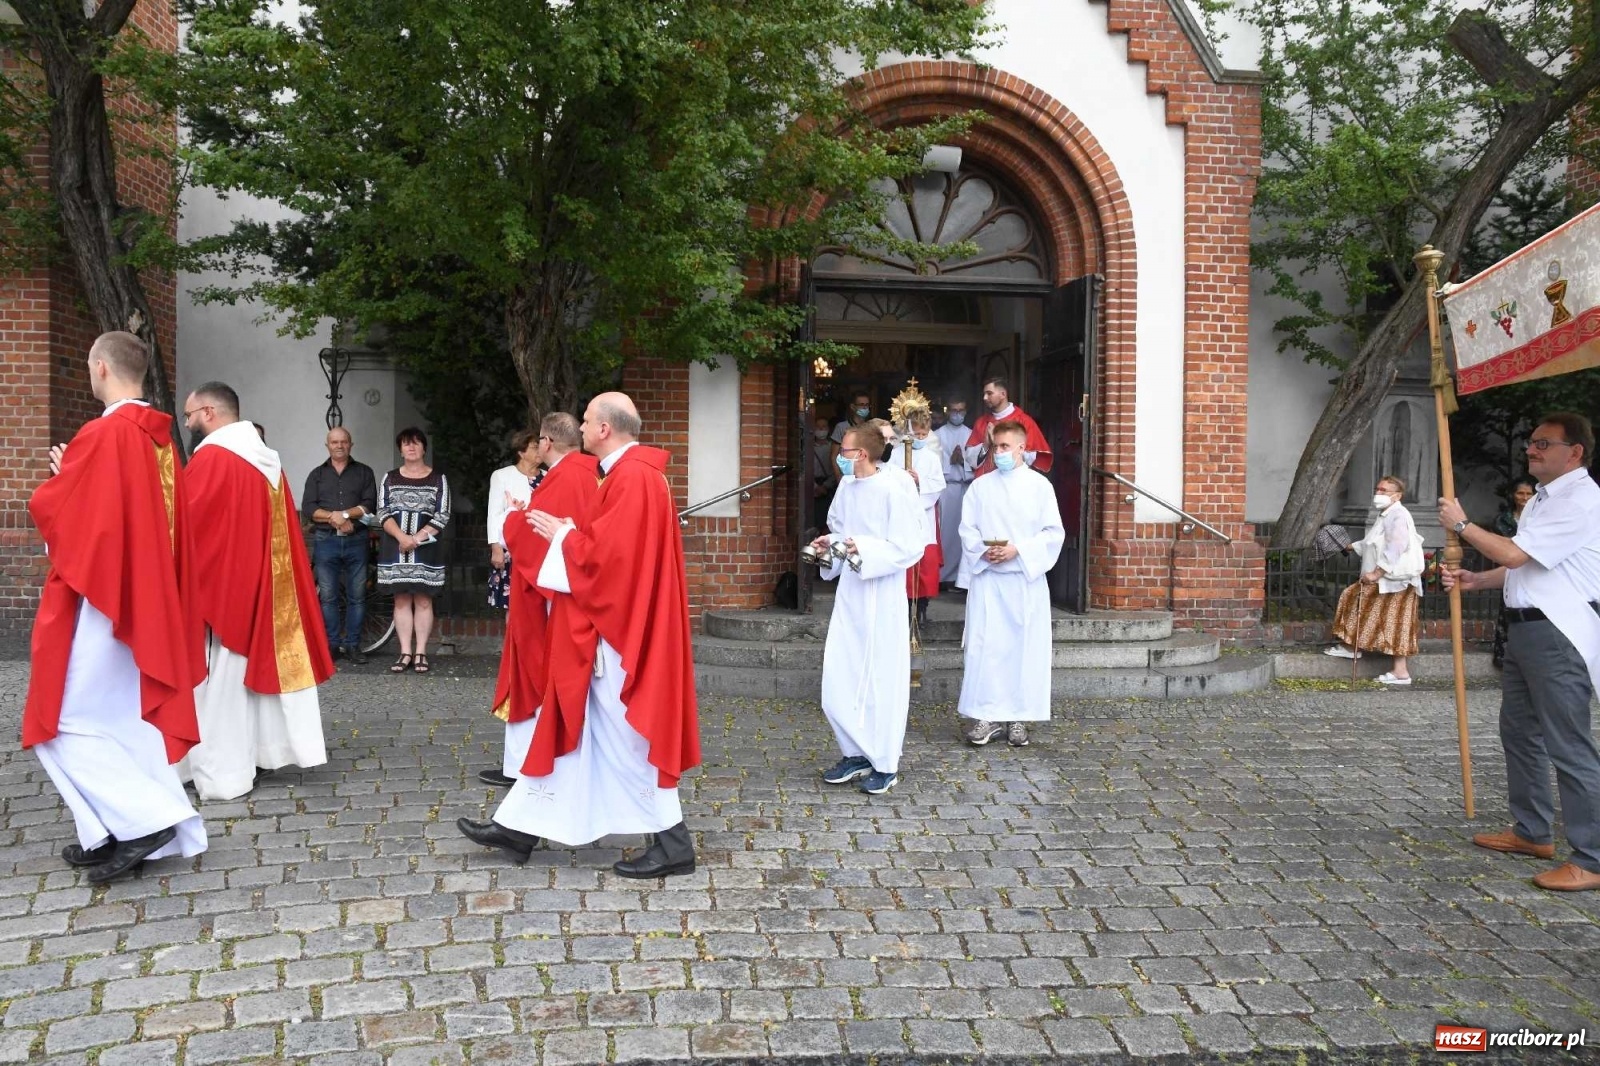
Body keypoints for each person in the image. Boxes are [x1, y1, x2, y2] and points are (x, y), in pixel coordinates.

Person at [458, 393, 701, 878]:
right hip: (618, 627)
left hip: (619, 635)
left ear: (605, 429)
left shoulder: (631, 478)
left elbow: (613, 563)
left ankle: (674, 845)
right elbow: (614, 546)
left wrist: (564, 536)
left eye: (587, 422)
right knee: (582, 730)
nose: (583, 429)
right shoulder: (630, 475)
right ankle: (518, 828)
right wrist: (572, 531)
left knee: (625, 737)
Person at [22, 331, 208, 883]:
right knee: (123, 719)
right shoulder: (159, 437)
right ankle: (105, 830)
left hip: (105, 603)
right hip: (143, 601)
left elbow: (78, 525)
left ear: (101, 367)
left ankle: (147, 822)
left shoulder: (105, 434)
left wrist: (63, 482)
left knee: (61, 720)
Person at [1441, 413, 1600, 893]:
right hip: (1527, 631)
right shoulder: (1545, 500)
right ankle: (1532, 832)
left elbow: (1513, 554)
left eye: (1543, 443)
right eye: (1531, 442)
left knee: (1568, 744)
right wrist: (1476, 579)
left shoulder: (1581, 500)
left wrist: (1462, 524)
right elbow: (1525, 567)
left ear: (1575, 452)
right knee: (1520, 734)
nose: (1531, 450)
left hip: (1559, 632)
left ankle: (1592, 858)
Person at [179, 382, 332, 800]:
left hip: (224, 592)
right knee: (242, 685)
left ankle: (223, 773)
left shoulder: (213, 457)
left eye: (189, 415)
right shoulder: (265, 459)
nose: (187, 423)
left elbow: (184, 524)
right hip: (263, 588)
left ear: (209, 412)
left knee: (220, 687)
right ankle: (257, 756)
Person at [477, 414, 599, 789]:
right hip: (571, 592)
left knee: (533, 675)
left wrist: (513, 516)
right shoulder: (590, 473)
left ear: (546, 442)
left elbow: (531, 538)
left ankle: (527, 764)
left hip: (546, 598)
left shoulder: (563, 477)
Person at [810, 423, 926, 796]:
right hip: (851, 591)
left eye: (844, 450)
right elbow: (842, 532)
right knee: (841, 673)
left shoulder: (894, 488)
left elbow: (910, 545)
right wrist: (830, 547)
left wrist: (864, 549)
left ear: (861, 454)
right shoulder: (847, 486)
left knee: (881, 678)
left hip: (882, 592)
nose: (839, 457)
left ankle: (885, 763)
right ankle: (855, 752)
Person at [956, 421, 1066, 747]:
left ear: (1021, 447)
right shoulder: (980, 487)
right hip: (989, 580)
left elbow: (1052, 533)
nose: (998, 452)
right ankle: (986, 716)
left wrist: (1018, 549)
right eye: (995, 447)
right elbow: (967, 529)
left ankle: (1018, 716)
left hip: (1023, 580)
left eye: (1005, 447)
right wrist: (984, 551)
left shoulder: (1039, 487)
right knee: (986, 649)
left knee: (1023, 649)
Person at [1324, 475, 1424, 684]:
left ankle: (1399, 671)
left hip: (1395, 581)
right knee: (1363, 605)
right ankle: (1353, 647)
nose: (1378, 494)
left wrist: (1377, 573)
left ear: (1397, 496)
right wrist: (1349, 547)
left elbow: (1396, 546)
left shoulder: (1398, 515)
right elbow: (1372, 541)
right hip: (1386, 580)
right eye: (1377, 489)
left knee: (1394, 620)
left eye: (1384, 490)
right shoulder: (1386, 515)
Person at [377, 427, 451, 674]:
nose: (411, 447)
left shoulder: (438, 479)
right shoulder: (389, 478)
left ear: (424, 448)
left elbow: (443, 514)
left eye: (416, 443)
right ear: (400, 450)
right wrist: (402, 537)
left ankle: (421, 652)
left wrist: (416, 539)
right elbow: (383, 511)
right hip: (395, 546)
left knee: (423, 599)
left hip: (426, 547)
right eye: (406, 443)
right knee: (400, 599)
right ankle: (405, 652)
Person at [302, 426, 378, 664]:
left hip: (357, 540)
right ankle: (332, 645)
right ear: (327, 445)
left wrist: (344, 515)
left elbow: (370, 504)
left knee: (358, 596)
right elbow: (309, 508)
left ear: (350, 444)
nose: (339, 446)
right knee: (328, 597)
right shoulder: (316, 475)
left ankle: (353, 645)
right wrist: (334, 518)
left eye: (344, 441)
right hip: (326, 541)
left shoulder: (364, 472)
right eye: (334, 442)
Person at [885, 411, 946, 625]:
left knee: (924, 564)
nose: (920, 438)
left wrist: (920, 482)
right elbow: (887, 481)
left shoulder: (931, 457)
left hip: (924, 515)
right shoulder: (895, 454)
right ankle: (903, 605)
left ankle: (922, 607)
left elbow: (937, 484)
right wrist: (903, 480)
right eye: (916, 434)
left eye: (924, 434)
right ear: (907, 431)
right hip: (900, 515)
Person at [486, 428, 543, 612]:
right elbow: (494, 513)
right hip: (511, 547)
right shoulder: (502, 476)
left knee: (540, 604)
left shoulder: (549, 476)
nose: (540, 450)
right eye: (534, 447)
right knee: (513, 604)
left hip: (540, 548)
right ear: (521, 452)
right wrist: (496, 548)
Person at [1491, 476, 1538, 668]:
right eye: (1520, 493)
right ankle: (1505, 658)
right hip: (1509, 569)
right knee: (1507, 612)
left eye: (1529, 494)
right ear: (1513, 495)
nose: (1524, 497)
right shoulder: (1504, 520)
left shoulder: (1539, 517)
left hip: (1533, 573)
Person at [962, 376, 1053, 477]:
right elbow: (970, 460)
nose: (985, 398)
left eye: (989, 393)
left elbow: (1032, 457)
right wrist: (986, 444)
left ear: (1003, 394)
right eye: (984, 394)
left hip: (1014, 480)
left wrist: (1004, 444)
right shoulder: (981, 423)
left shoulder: (1024, 422)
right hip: (986, 482)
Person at [934, 400, 973, 587]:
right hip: (946, 489)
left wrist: (963, 461)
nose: (957, 414)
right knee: (945, 533)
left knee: (963, 534)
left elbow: (978, 461)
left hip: (965, 487)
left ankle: (960, 578)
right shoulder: (937, 435)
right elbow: (933, 464)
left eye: (961, 410)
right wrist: (949, 462)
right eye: (954, 410)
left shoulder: (971, 434)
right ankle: (942, 577)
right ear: (947, 411)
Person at [829, 391, 874, 467]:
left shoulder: (872, 427)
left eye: (867, 404)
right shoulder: (841, 427)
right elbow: (833, 456)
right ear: (852, 407)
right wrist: (838, 474)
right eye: (861, 405)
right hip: (847, 471)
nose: (865, 407)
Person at [811, 415, 839, 530]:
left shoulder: (833, 448)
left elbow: (836, 467)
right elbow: (805, 468)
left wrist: (826, 486)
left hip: (828, 488)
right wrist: (815, 486)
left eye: (824, 426)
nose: (821, 429)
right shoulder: (808, 447)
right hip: (812, 487)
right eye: (818, 426)